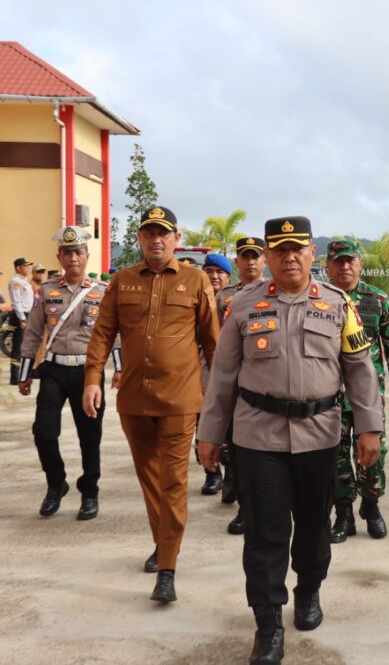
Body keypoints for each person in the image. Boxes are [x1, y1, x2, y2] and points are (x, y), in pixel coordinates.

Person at [196, 217, 382, 664]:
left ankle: (309, 590)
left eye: (298, 247)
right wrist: (209, 433)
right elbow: (221, 375)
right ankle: (267, 624)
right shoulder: (242, 305)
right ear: (267, 256)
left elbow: (360, 369)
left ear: (311, 253)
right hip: (258, 434)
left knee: (315, 527)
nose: (290, 256)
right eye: (279, 250)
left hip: (320, 434)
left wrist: (370, 426)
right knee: (265, 532)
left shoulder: (338, 305)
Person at [83, 205, 220, 603]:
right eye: (149, 233)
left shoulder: (196, 281)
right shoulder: (122, 281)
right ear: (140, 239)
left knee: (174, 481)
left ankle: (167, 567)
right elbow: (102, 334)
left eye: (163, 233)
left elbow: (213, 343)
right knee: (150, 479)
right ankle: (164, 542)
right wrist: (93, 378)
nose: (156, 240)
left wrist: (218, 399)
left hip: (181, 398)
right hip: (134, 401)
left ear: (176, 239)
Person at [18, 228, 121, 520]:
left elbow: (113, 334)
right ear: (59, 257)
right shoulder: (46, 290)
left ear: (87, 256)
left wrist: (119, 369)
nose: (73, 258)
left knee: (90, 436)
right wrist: (25, 373)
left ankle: (90, 491)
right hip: (53, 370)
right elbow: (34, 332)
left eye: (78, 252)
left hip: (88, 372)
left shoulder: (102, 292)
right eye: (67, 252)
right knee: (44, 432)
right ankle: (56, 483)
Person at [325, 237, 389, 541]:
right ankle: (344, 512)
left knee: (374, 453)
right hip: (329, 397)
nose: (345, 266)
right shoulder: (318, 301)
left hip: (368, 395)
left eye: (350, 260)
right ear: (327, 266)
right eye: (338, 261)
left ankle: (371, 506)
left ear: (360, 264)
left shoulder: (377, 300)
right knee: (335, 455)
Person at [215, 236, 268, 533]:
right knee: (236, 447)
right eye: (244, 256)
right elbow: (213, 340)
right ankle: (245, 509)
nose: (250, 261)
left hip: (262, 383)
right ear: (236, 261)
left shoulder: (273, 293)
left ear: (264, 260)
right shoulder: (225, 297)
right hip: (233, 383)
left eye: (255, 256)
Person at [197, 252, 234, 498]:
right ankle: (212, 474)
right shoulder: (195, 297)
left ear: (228, 277)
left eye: (219, 272)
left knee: (231, 424)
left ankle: (232, 475)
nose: (214, 276)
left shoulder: (236, 299)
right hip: (200, 366)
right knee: (203, 421)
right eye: (209, 271)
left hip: (227, 364)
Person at [8, 257, 35, 385]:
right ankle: (15, 377)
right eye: (26, 266)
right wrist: (22, 318)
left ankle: (24, 373)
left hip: (28, 314)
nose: (28, 268)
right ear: (18, 268)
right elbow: (16, 301)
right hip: (20, 316)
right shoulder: (15, 282)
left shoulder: (25, 282)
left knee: (26, 346)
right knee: (18, 347)